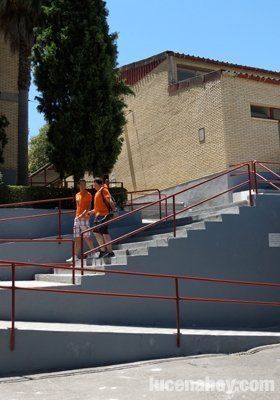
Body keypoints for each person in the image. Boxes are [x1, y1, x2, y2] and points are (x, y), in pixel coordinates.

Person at [66, 179, 95, 262]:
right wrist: (78, 215)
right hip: (77, 218)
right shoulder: (77, 195)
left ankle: (94, 253)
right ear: (79, 185)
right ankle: (75, 256)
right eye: (81, 184)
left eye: (84, 184)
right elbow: (78, 206)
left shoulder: (88, 194)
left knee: (86, 237)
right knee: (77, 238)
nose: (83, 186)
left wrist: (83, 214)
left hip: (84, 218)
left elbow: (89, 207)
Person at [88, 177, 115, 258]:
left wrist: (114, 211)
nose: (94, 186)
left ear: (99, 184)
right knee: (96, 232)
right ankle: (103, 250)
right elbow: (97, 207)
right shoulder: (97, 193)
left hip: (104, 215)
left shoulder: (103, 190)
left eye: (95, 184)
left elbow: (110, 200)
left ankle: (110, 252)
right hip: (98, 216)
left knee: (104, 232)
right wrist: (91, 212)